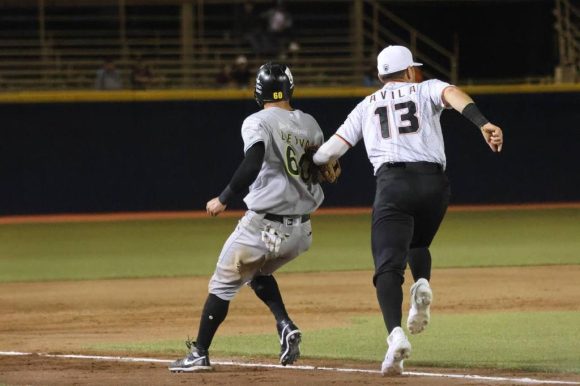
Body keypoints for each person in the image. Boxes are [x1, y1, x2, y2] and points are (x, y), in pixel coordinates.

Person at [313, 45, 503, 376]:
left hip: (393, 185)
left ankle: (395, 335)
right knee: (418, 244)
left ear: (382, 75)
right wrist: (483, 123)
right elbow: (454, 94)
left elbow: (330, 151)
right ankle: (423, 285)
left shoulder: (364, 107)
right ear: (410, 71)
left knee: (387, 265)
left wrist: (316, 160)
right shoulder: (426, 88)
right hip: (434, 186)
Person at [169, 62, 325, 373]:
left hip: (264, 226)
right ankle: (285, 325)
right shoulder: (310, 124)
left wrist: (223, 198)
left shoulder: (258, 120)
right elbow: (321, 167)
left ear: (258, 91)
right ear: (290, 88)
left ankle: (199, 353)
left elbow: (253, 161)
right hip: (301, 232)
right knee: (258, 274)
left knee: (223, 283)